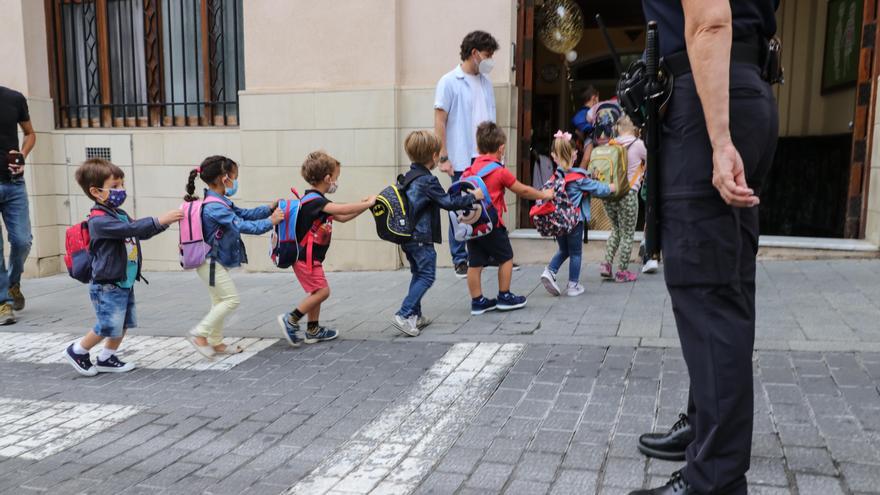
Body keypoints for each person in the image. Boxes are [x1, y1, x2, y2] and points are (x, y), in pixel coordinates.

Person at [631, 1, 779, 494]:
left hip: (709, 95)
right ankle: (704, 426)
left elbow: (712, 18)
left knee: (710, 294)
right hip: (731, 84)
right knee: (723, 282)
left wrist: (719, 141)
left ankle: (713, 480)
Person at [63, 158, 182, 376]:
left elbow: (139, 231)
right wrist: (159, 219)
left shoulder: (118, 214)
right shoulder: (99, 220)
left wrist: (165, 222)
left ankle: (107, 357)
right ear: (96, 192)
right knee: (108, 324)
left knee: (123, 322)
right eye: (115, 186)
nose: (121, 190)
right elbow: (133, 228)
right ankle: (78, 350)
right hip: (107, 283)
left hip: (123, 280)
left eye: (122, 185)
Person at [185, 156, 284, 359]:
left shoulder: (220, 201)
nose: (236, 182)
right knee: (231, 300)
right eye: (235, 177)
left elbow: (244, 214)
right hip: (210, 263)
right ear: (224, 179)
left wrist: (268, 209)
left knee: (219, 301)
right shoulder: (215, 207)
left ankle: (216, 343)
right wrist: (270, 221)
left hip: (214, 262)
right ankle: (199, 334)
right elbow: (241, 225)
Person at [277, 151, 375, 346]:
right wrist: (369, 202)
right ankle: (291, 318)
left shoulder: (317, 201)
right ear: (328, 178)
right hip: (305, 257)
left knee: (316, 291)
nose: (337, 182)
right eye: (336, 178)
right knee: (323, 292)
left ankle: (313, 329)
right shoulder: (315, 201)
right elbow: (341, 210)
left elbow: (343, 217)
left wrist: (365, 207)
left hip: (312, 257)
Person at [392, 131, 483, 336]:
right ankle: (404, 314)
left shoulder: (408, 177)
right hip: (421, 238)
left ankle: (415, 315)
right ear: (434, 156)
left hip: (408, 237)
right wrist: (473, 197)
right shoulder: (427, 180)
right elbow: (448, 203)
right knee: (427, 276)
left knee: (418, 274)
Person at [463, 122, 552, 315]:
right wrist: (544, 195)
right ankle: (504, 296)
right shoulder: (499, 171)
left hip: (473, 225)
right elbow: (522, 190)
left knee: (475, 262)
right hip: (492, 225)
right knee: (506, 257)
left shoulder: (470, 170)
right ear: (501, 148)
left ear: (478, 147)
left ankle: (477, 302)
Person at [435, 30, 499, 278]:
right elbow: (440, 120)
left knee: (487, 203)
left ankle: (487, 252)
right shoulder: (449, 81)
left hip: (485, 156)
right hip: (461, 155)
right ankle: (460, 258)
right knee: (461, 207)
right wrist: (443, 156)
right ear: (474, 53)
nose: (490, 59)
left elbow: (490, 119)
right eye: (487, 55)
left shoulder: (486, 83)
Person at [540, 131, 613, 297]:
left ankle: (550, 271)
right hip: (574, 221)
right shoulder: (578, 178)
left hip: (558, 221)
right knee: (576, 253)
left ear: (553, 156)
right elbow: (596, 188)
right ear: (574, 154)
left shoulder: (553, 178)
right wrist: (611, 187)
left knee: (563, 249)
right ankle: (573, 285)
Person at [0, 86, 36, 323]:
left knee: (23, 241)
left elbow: (30, 133)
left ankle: (13, 283)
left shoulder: (14, 98)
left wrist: (22, 155)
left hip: (13, 183)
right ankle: (3, 303)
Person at [600, 115, 646, 283]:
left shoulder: (611, 144)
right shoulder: (638, 144)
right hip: (628, 195)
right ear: (634, 127)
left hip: (609, 195)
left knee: (616, 229)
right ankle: (622, 271)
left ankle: (606, 263)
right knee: (627, 234)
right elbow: (652, 159)